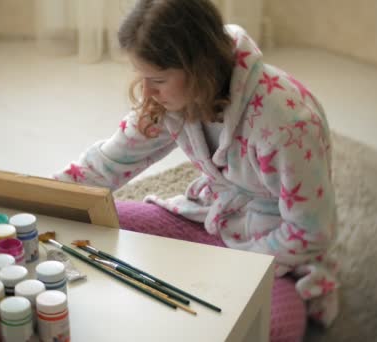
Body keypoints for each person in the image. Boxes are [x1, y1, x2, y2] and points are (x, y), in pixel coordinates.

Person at [54, 0, 339, 337]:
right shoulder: (171, 98)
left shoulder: (287, 124)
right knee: (96, 226)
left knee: (271, 328)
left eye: (157, 79)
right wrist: (43, 198)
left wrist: (229, 271)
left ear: (199, 68)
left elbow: (311, 230)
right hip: (207, 218)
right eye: (142, 77)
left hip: (271, 251)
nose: (147, 91)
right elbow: (110, 162)